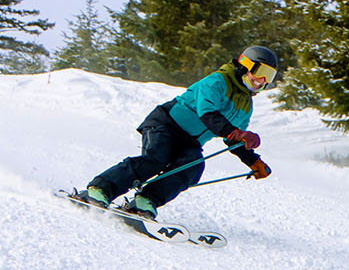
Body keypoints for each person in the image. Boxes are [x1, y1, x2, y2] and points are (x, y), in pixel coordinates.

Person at [84, 47, 278, 218]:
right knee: (156, 158)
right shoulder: (218, 81)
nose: (262, 81)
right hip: (165, 124)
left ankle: (145, 201)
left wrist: (252, 161)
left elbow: (234, 140)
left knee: (193, 167)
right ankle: (100, 189)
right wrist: (237, 133)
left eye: (269, 77)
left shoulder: (246, 104)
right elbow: (208, 114)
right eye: (261, 72)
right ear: (245, 65)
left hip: (189, 141)